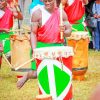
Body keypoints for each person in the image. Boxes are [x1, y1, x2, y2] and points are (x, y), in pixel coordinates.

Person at [17, 0, 72, 89]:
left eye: (49, 1)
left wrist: (64, 31)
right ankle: (27, 75)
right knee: (36, 73)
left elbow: (69, 32)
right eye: (45, 1)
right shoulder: (37, 13)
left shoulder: (62, 13)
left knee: (58, 72)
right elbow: (33, 33)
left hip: (57, 47)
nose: (47, 3)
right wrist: (35, 50)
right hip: (41, 46)